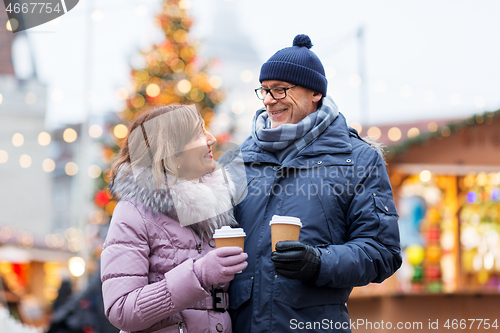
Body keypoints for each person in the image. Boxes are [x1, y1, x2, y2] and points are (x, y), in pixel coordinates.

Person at [227, 34, 402, 332]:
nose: (269, 100)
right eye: (265, 90)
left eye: (280, 90)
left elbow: (382, 251)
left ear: (315, 94)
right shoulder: (239, 159)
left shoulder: (357, 159)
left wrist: (318, 262)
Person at [101, 105, 248, 333]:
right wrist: (198, 275)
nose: (211, 139)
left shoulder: (217, 210)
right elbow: (121, 310)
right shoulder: (133, 212)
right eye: (199, 133)